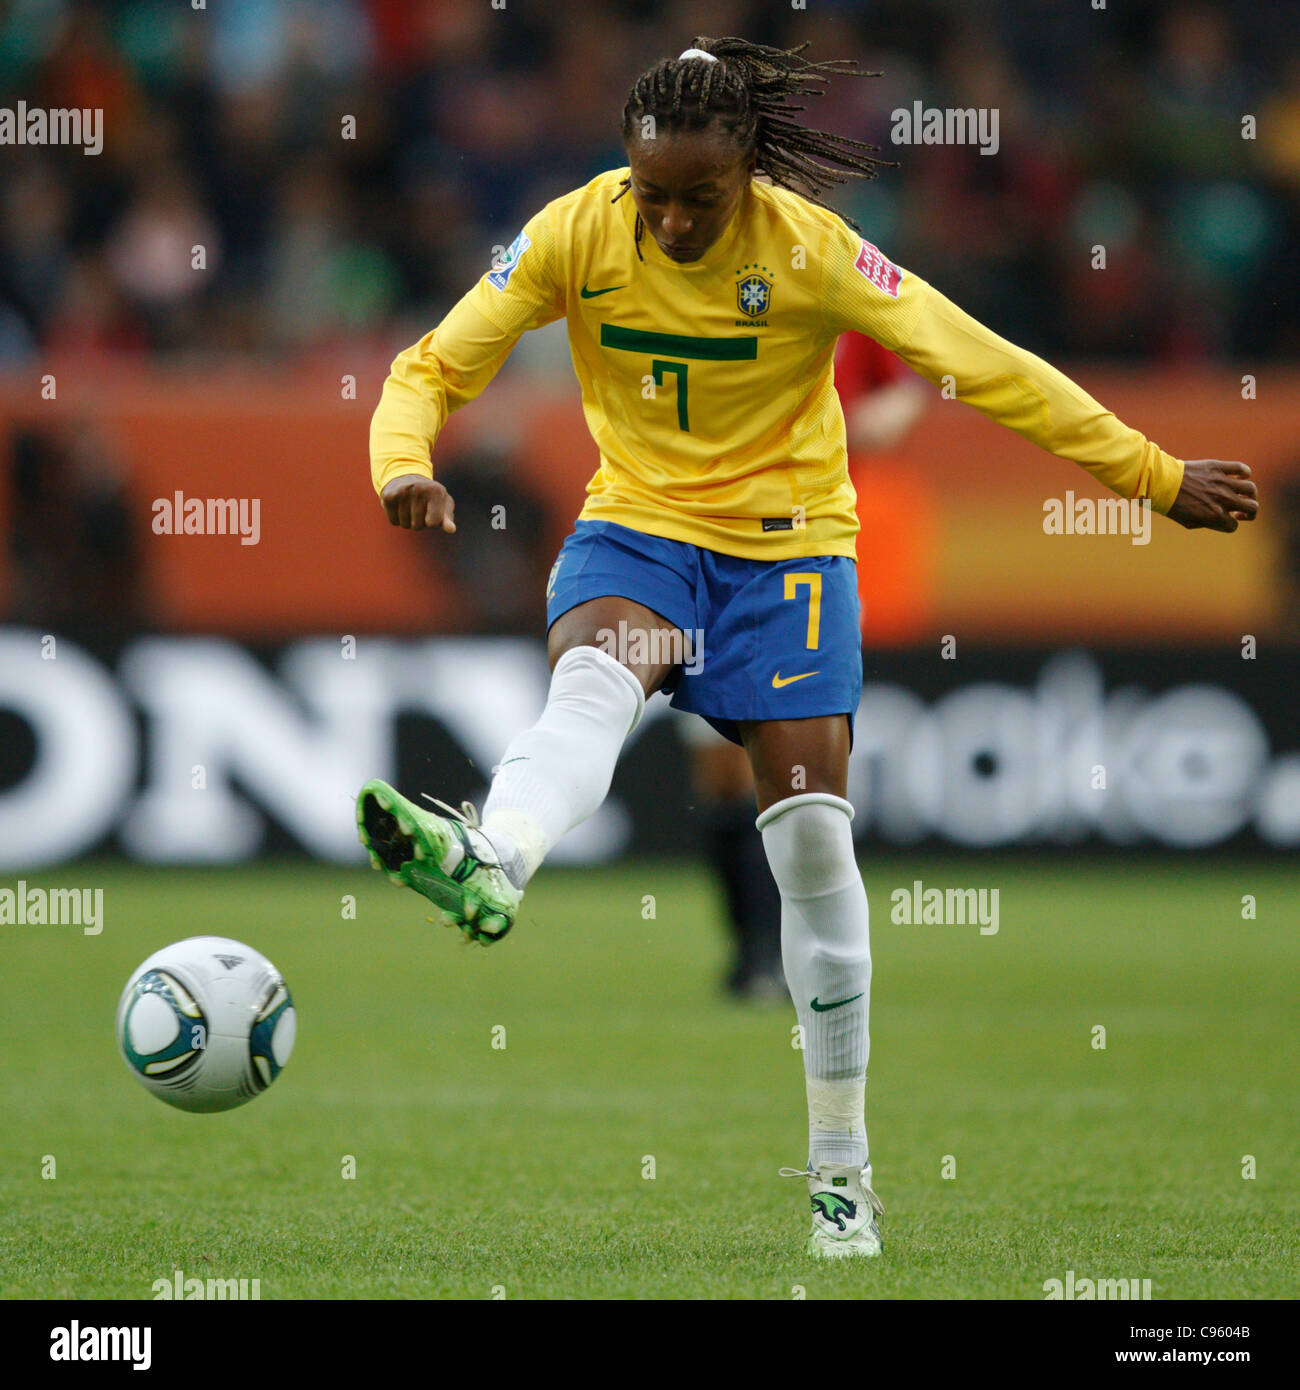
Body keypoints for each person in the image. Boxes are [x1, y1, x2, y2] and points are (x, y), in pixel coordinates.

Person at [357, 37, 1257, 1260]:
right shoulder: (575, 231)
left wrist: (1148, 474)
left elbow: (984, 366)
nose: (669, 222)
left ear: (748, 173)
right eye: (651, 193)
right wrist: (401, 463)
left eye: (698, 199)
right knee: (594, 682)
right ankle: (492, 853)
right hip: (642, 530)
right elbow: (432, 365)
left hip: (787, 557)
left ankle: (840, 1171)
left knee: (816, 850)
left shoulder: (815, 253)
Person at [684, 330, 928, 1005]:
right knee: (720, 766)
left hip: (811, 554)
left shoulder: (839, 280)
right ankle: (748, 946)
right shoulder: (705, 279)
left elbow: (908, 387)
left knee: (798, 765)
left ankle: (784, 956)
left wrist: (886, 416)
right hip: (706, 546)